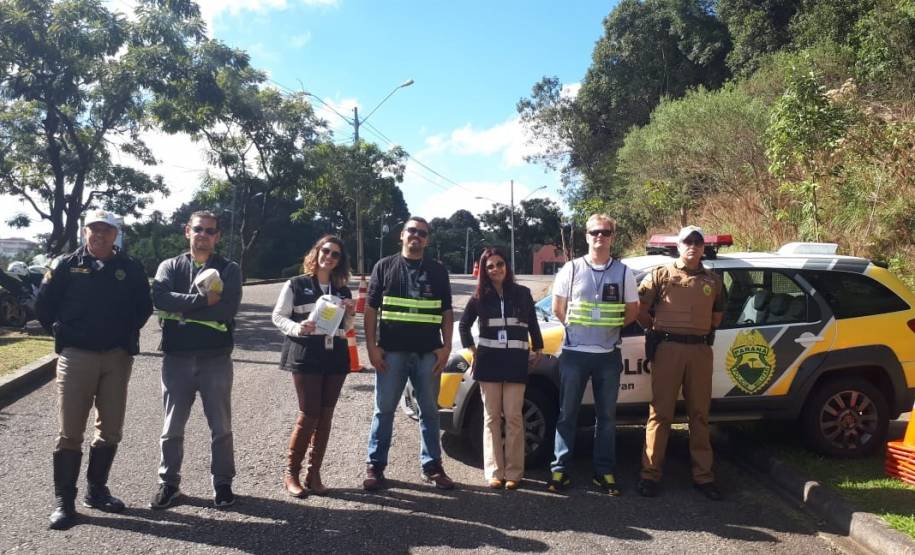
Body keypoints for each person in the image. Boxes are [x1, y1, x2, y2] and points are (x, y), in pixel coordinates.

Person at [36, 210, 153, 530]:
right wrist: (64, 332)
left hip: (116, 357)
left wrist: (122, 334)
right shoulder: (65, 265)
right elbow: (44, 305)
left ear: (116, 235)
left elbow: (144, 307)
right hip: (76, 356)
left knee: (111, 428)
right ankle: (65, 501)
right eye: (94, 229)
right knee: (70, 432)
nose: (99, 235)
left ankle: (96, 491)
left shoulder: (129, 268)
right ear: (84, 232)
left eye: (107, 230)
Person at [149, 210, 242, 509]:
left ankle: (223, 483)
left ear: (218, 236)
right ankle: (169, 483)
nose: (204, 235)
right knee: (171, 427)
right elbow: (160, 298)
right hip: (176, 359)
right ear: (187, 231)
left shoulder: (229, 269)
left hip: (215, 359)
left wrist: (181, 307)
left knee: (221, 426)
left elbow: (225, 310)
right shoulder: (170, 266)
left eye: (210, 231)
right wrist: (202, 301)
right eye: (198, 229)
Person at [547, 214, 638, 495]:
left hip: (607, 356)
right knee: (567, 415)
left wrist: (608, 331)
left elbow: (632, 311)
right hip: (574, 354)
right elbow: (557, 308)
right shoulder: (571, 270)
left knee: (607, 418)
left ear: (613, 236)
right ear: (586, 236)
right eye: (595, 232)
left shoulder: (624, 272)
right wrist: (579, 332)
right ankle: (560, 470)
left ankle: (604, 471)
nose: (600, 237)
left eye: (606, 232)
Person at [363, 217, 455, 490]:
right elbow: (370, 310)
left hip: (428, 353)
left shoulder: (438, 271)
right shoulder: (384, 266)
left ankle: (432, 467)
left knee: (429, 411)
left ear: (427, 240)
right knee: (384, 410)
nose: (417, 236)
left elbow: (447, 311)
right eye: (412, 231)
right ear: (401, 235)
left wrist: (446, 346)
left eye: (422, 233)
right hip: (391, 352)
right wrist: (371, 346)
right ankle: (375, 466)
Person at [636, 225, 726, 501]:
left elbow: (717, 316)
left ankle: (704, 476)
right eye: (688, 241)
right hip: (668, 349)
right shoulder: (660, 275)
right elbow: (640, 310)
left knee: (699, 415)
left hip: (699, 351)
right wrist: (659, 331)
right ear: (678, 245)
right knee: (660, 414)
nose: (693, 246)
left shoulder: (714, 280)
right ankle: (650, 475)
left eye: (698, 242)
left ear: (703, 247)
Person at [272, 235, 356, 497]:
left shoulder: (341, 290)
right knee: (309, 414)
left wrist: (350, 313)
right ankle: (291, 472)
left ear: (340, 261)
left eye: (336, 254)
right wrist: (297, 328)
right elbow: (278, 315)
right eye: (326, 251)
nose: (329, 257)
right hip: (306, 353)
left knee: (326, 415)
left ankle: (314, 472)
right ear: (316, 252)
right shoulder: (296, 284)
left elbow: (348, 328)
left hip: (335, 355)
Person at [459, 247, 543, 489]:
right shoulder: (478, 298)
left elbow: (533, 324)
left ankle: (514, 473)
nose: (496, 269)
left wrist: (537, 347)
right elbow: (464, 326)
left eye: (500, 264)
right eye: (490, 266)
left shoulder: (523, 294)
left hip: (516, 363)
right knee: (492, 417)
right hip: (489, 363)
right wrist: (473, 351)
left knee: (514, 417)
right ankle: (495, 471)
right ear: (484, 271)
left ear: (507, 266)